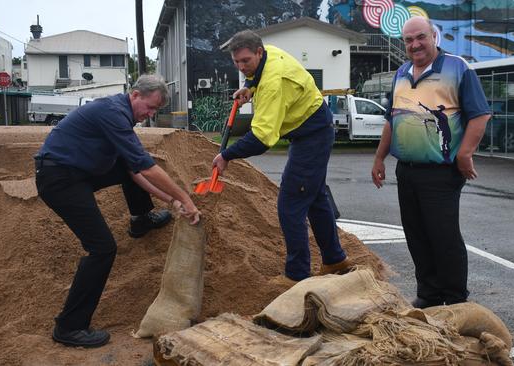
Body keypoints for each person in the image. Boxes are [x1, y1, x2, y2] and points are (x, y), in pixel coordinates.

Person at [34, 74, 201, 348]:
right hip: (59, 179)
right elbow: (145, 165)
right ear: (135, 95)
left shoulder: (120, 115)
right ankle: (69, 326)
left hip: (80, 172)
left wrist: (172, 202)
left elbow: (134, 171)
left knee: (125, 167)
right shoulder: (112, 113)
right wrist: (184, 196)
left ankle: (141, 220)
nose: (149, 115)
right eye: (149, 107)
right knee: (102, 248)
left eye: (155, 111)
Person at [212, 30, 351, 284]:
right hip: (310, 130)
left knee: (290, 203)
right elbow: (258, 74)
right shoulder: (269, 55)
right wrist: (249, 87)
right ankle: (335, 259)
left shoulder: (273, 84)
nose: (242, 67)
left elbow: (262, 139)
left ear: (259, 52)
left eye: (246, 61)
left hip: (313, 134)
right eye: (236, 62)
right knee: (315, 197)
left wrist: (226, 155)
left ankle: (297, 275)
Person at [371, 17, 491, 308]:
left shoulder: (457, 68)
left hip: (441, 172)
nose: (415, 45)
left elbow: (480, 115)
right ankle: (429, 294)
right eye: (409, 40)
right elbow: (391, 119)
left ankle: (455, 299)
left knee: (443, 236)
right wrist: (379, 157)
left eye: (420, 37)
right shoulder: (401, 73)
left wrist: (464, 154)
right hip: (407, 171)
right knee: (417, 236)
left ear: (433, 36)